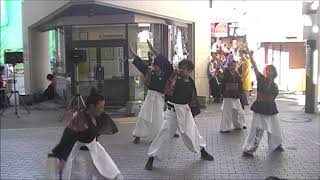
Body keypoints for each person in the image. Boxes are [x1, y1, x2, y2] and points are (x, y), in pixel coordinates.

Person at [145, 60, 214, 171]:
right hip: (172, 111)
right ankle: (151, 158)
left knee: (192, 132)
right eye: (181, 67)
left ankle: (203, 151)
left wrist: (193, 113)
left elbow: (192, 99)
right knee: (164, 133)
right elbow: (165, 64)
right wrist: (156, 54)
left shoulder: (190, 83)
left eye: (185, 68)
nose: (182, 70)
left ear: (190, 71)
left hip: (184, 111)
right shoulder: (173, 77)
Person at [48, 90, 122, 180]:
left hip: (96, 150)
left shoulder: (99, 116)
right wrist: (62, 159)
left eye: (103, 107)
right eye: (100, 107)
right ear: (92, 106)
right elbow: (68, 138)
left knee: (114, 175)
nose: (102, 109)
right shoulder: (80, 119)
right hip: (81, 154)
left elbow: (107, 127)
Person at [130, 40, 178, 144]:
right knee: (143, 115)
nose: (154, 67)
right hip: (150, 96)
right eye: (154, 66)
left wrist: (152, 49)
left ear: (161, 67)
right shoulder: (149, 72)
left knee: (158, 118)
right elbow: (141, 65)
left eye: (156, 66)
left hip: (159, 97)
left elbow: (165, 62)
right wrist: (133, 53)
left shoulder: (166, 73)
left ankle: (158, 136)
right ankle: (138, 135)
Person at [243, 51, 284, 157]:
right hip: (260, 108)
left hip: (271, 108)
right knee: (257, 129)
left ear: (274, 73)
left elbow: (273, 97)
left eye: (271, 71)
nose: (269, 72)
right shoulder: (261, 79)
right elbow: (255, 66)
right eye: (268, 70)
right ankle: (249, 149)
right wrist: (251, 56)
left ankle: (276, 145)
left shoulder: (274, 85)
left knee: (275, 127)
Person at [220, 60, 247, 133]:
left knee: (239, 111)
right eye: (232, 65)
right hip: (228, 95)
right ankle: (225, 128)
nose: (233, 67)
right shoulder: (226, 73)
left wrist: (240, 93)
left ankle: (239, 125)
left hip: (236, 94)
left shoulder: (236, 74)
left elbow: (240, 85)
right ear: (229, 66)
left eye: (234, 65)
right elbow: (222, 67)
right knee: (227, 112)